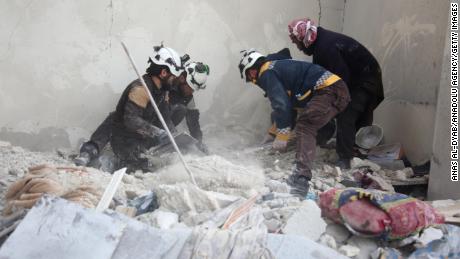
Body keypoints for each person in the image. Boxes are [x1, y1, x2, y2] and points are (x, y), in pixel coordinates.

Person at [238, 49, 350, 197]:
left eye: (249, 74)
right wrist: (273, 133)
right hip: (334, 89)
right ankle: (320, 144)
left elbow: (281, 105)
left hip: (328, 90)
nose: (252, 79)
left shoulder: (266, 73)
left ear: (252, 69)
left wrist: (282, 136)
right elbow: (288, 109)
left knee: (304, 126)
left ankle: (301, 178)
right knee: (310, 119)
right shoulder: (276, 67)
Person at [288, 18, 384, 168]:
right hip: (361, 79)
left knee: (346, 114)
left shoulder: (325, 47)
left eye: (296, 42)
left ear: (304, 37)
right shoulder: (320, 44)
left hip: (365, 79)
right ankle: (343, 147)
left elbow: (340, 80)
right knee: (336, 107)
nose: (297, 46)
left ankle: (344, 160)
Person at [75, 44, 182, 173]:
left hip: (140, 136)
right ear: (164, 73)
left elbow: (164, 118)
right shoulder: (141, 89)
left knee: (161, 160)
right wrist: (157, 133)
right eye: (173, 76)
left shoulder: (162, 91)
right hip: (123, 136)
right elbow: (131, 120)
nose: (175, 80)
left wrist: (175, 137)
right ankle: (101, 159)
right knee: (139, 166)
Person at [169, 61, 210, 154]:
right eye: (190, 88)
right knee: (180, 109)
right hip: (151, 120)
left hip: (166, 125)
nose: (191, 92)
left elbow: (193, 122)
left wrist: (199, 142)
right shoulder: (167, 85)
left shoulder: (188, 97)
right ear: (182, 79)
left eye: (194, 90)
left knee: (182, 109)